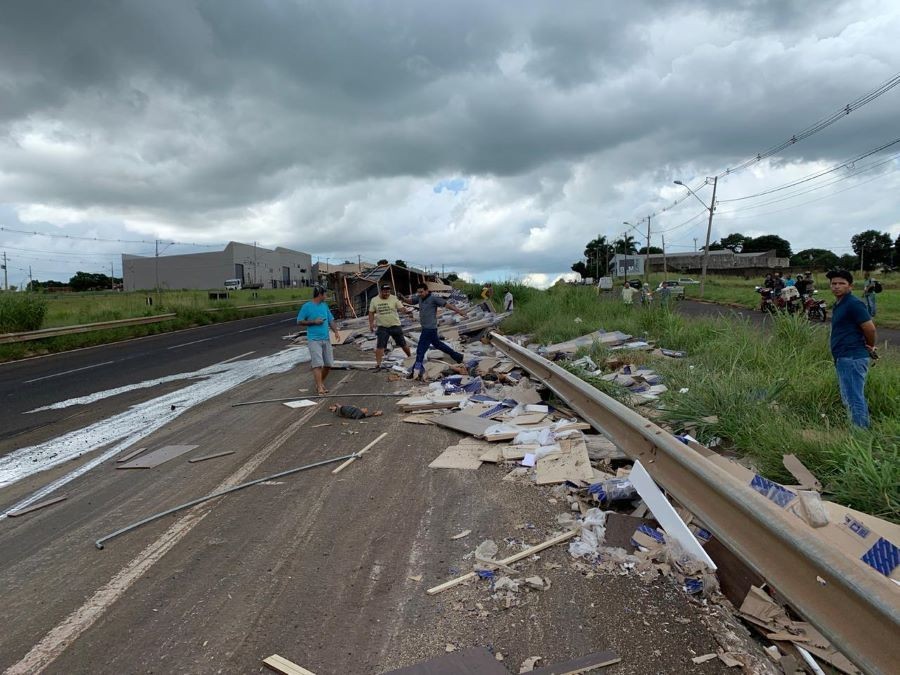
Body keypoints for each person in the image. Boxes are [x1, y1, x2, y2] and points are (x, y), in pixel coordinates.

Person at [826, 269, 877, 428]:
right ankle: (858, 429)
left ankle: (860, 433)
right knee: (849, 397)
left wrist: (870, 345)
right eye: (834, 283)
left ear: (850, 286)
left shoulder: (854, 304)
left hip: (852, 357)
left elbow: (870, 328)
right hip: (843, 357)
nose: (837, 286)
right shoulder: (839, 304)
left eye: (841, 283)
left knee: (854, 397)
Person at [407, 283, 468, 379]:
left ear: (427, 290)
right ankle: (457, 356)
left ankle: (416, 371)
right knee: (438, 344)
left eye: (421, 292)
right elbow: (410, 301)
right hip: (427, 328)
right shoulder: (419, 298)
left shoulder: (433, 298)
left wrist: (459, 311)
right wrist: (402, 298)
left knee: (420, 350)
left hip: (429, 329)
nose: (420, 294)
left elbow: (447, 305)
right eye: (418, 292)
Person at [296, 286, 341, 395]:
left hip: (326, 338)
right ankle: (320, 387)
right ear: (320, 294)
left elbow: (331, 320)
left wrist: (336, 331)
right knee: (317, 364)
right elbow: (299, 321)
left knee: (328, 364)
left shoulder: (324, 306)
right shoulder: (307, 306)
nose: (326, 296)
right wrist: (314, 322)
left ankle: (319, 383)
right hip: (314, 339)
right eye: (325, 294)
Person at [368, 284, 412, 369]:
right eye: (385, 292)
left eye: (388, 292)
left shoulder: (394, 298)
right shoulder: (374, 300)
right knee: (380, 346)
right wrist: (371, 324)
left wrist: (406, 311)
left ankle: (410, 357)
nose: (387, 293)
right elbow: (371, 312)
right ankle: (378, 364)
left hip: (395, 325)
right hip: (382, 327)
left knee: (403, 344)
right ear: (381, 291)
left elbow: (401, 308)